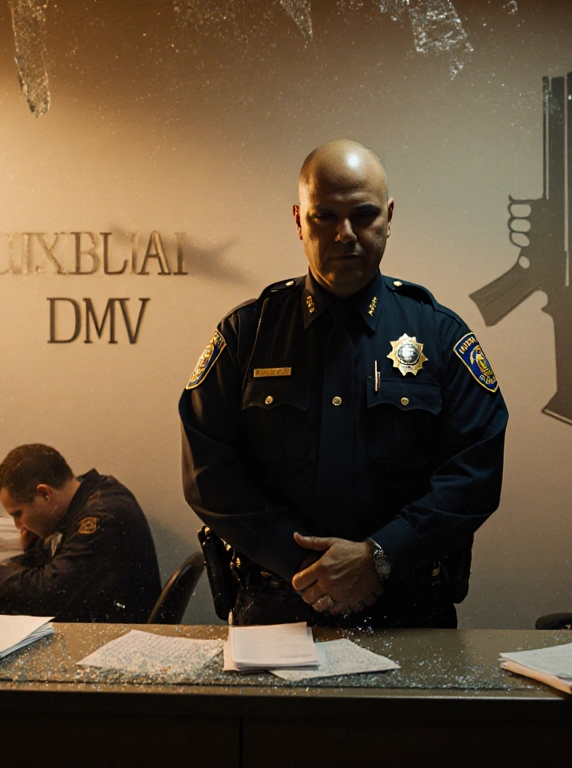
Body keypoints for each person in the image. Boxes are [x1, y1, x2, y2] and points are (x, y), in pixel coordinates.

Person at [179, 139, 508, 628]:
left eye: (364, 215)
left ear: (389, 218)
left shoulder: (439, 335)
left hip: (408, 611)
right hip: (277, 612)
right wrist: (308, 567)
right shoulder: (247, 334)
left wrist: (380, 556)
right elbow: (207, 472)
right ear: (299, 221)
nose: (345, 234)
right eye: (325, 216)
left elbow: (475, 471)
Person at [0, 444, 161, 623]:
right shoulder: (93, 493)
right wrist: (32, 548)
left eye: (18, 514)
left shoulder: (100, 518)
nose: (18, 525)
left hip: (109, 637)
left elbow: (49, 592)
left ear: (45, 494)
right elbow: (66, 567)